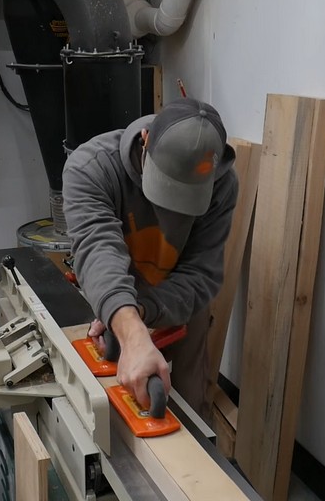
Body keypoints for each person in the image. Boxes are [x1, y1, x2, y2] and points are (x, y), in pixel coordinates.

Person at [62, 98, 238, 416]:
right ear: (145, 141)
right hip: (115, 288)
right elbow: (98, 250)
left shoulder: (221, 183)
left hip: (180, 303)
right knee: (112, 404)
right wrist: (129, 326)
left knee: (191, 410)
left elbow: (200, 274)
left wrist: (142, 312)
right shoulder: (92, 168)